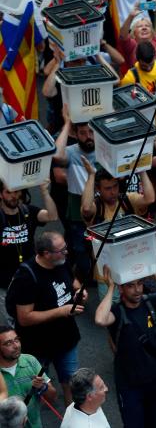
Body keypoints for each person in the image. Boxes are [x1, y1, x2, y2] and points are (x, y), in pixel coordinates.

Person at [94, 266, 156, 427]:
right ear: (121, 288)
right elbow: (100, 320)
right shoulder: (117, 311)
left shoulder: (150, 302)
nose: (137, 290)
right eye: (131, 285)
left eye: (139, 284)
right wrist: (111, 287)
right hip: (130, 386)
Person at [5, 232, 85, 406]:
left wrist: (79, 291)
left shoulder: (61, 261)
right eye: (61, 250)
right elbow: (24, 318)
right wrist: (61, 311)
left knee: (71, 381)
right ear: (46, 253)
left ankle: (72, 420)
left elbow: (73, 280)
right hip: (38, 346)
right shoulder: (27, 277)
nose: (66, 252)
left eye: (65, 248)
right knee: (38, 386)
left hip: (66, 338)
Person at [53, 109, 96, 279]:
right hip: (77, 211)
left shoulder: (105, 150)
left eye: (91, 131)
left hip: (99, 209)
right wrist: (67, 123)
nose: (88, 136)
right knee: (80, 250)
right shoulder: (71, 152)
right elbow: (56, 156)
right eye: (83, 133)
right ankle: (81, 280)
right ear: (76, 135)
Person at [0, 180, 57, 289]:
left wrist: (45, 192)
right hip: (4, 281)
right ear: (1, 194)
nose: (14, 196)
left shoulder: (28, 211)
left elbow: (52, 216)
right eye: (8, 192)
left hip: (29, 275)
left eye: (16, 191)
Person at [0, 326, 56, 428]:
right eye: (8, 343)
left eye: (16, 340)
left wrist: (43, 387)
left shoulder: (30, 361)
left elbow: (52, 397)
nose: (16, 346)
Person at [79, 163, 154, 225]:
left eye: (115, 186)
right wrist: (91, 175)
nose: (113, 192)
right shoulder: (96, 206)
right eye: (107, 188)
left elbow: (149, 199)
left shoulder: (127, 199)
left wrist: (142, 170)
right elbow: (86, 208)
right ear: (98, 189)